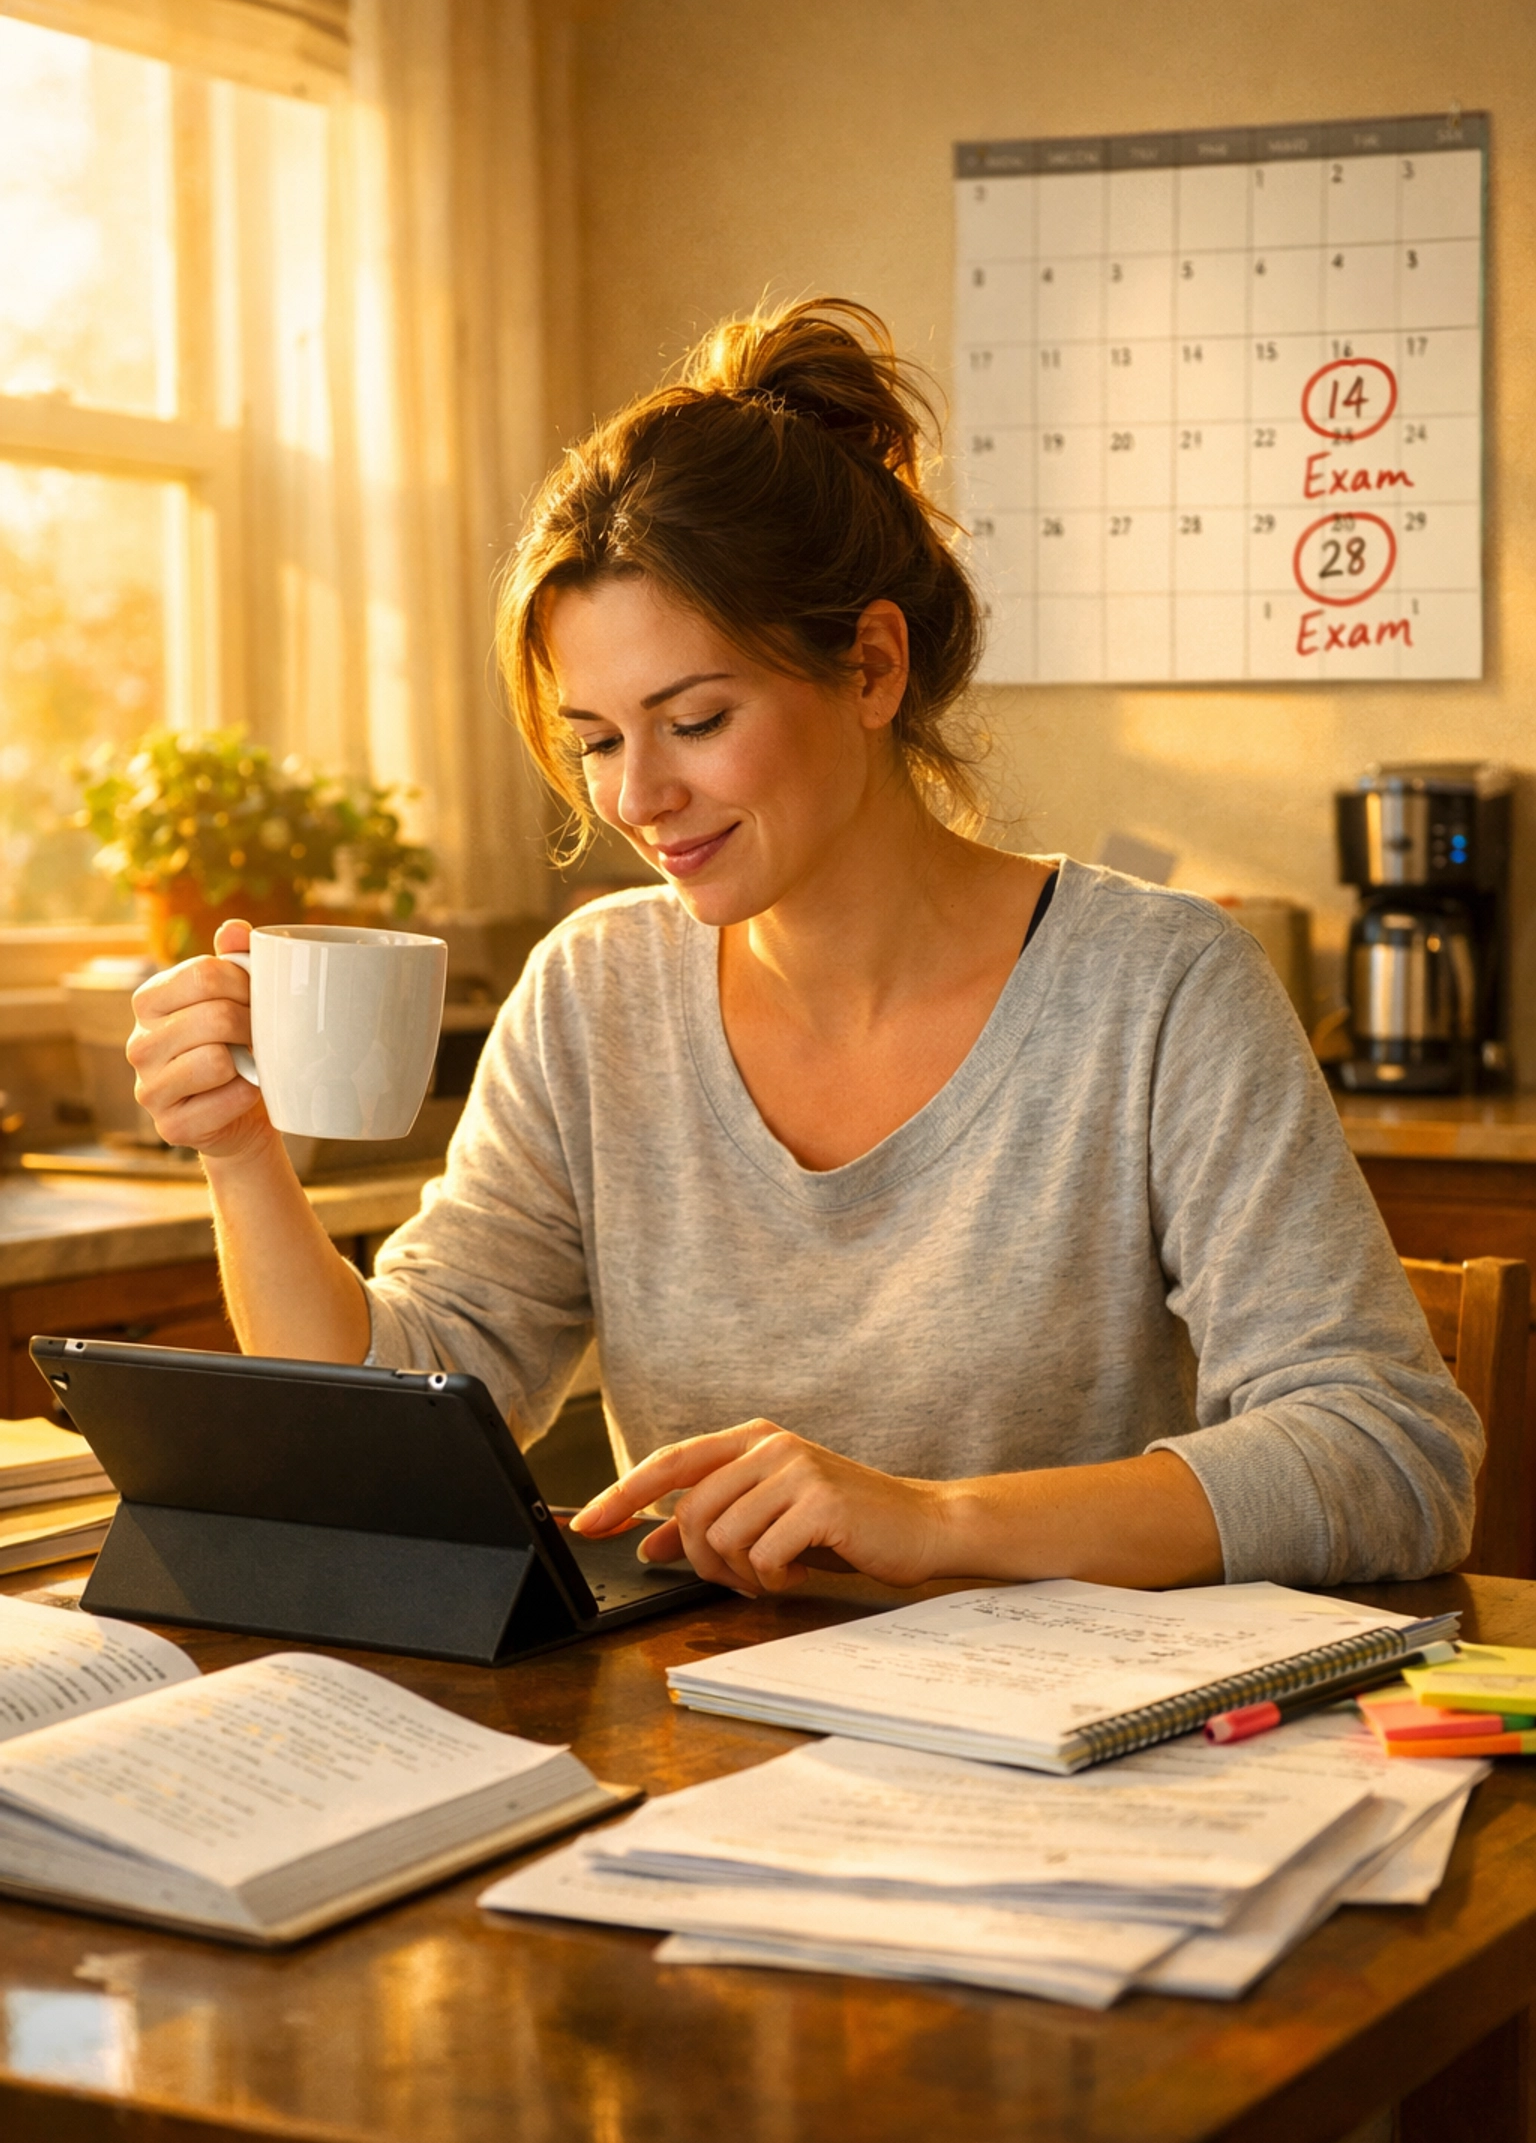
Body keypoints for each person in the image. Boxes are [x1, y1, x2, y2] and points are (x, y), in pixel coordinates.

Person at [127, 297, 1479, 1602]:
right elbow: (393, 1421)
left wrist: (935, 1521)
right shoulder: (595, 995)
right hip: (712, 1754)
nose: (636, 797)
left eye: (697, 719)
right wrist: (242, 1155)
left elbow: (1389, 1453)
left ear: (872, 669)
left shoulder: (1160, 988)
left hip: (1081, 1774)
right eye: (597, 739)